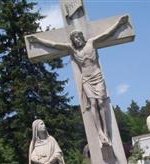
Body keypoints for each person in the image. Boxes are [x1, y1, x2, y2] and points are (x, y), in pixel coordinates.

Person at [27, 15, 129, 147]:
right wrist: (38, 40)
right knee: (93, 102)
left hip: (97, 76)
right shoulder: (73, 50)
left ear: (82, 37)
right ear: (73, 41)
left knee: (101, 102)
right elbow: (54, 44)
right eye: (75, 39)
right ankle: (99, 132)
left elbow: (107, 33)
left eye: (78, 37)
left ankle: (105, 131)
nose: (77, 40)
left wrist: (119, 24)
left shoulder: (91, 42)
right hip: (86, 79)